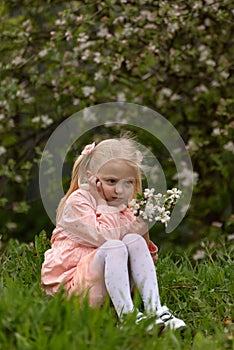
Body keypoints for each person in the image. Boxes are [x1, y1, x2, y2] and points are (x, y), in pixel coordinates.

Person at [41, 137, 186, 331]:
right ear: (93, 177)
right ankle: (127, 317)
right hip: (75, 290)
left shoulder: (122, 208)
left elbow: (146, 262)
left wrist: (142, 229)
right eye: (111, 181)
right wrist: (104, 204)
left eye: (128, 183)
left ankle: (155, 310)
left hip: (106, 291)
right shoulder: (78, 203)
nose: (120, 190)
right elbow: (104, 237)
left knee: (133, 239)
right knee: (114, 245)